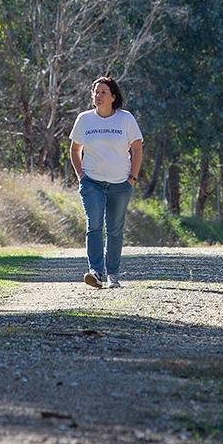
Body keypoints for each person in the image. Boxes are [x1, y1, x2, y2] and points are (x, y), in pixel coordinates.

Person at [69, 75, 143, 289]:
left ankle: (113, 274)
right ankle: (96, 272)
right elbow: (75, 150)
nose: (98, 96)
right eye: (95, 92)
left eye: (103, 92)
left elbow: (137, 148)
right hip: (92, 182)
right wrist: (81, 176)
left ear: (113, 96)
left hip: (121, 184)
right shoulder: (84, 119)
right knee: (94, 225)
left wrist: (133, 178)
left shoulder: (125, 119)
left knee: (114, 229)